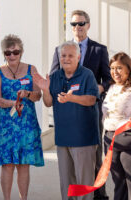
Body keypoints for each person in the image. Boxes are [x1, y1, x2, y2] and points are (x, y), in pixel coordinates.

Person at [50, 10, 111, 200]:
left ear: (88, 25)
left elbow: (108, 79)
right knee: (70, 168)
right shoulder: (60, 50)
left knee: (93, 158)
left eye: (81, 24)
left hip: (90, 112)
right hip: (67, 114)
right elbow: (53, 78)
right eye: (74, 24)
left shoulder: (99, 49)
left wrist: (96, 89)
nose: (77, 28)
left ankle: (99, 195)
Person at [33, 41, 99, 200]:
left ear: (78, 56)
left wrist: (72, 98)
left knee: (84, 183)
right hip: (62, 139)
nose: (66, 59)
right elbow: (48, 103)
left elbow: (91, 99)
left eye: (70, 55)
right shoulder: (55, 76)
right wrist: (45, 90)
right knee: (66, 183)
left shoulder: (87, 74)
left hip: (84, 139)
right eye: (63, 55)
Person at [0, 34, 44, 200]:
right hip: (5, 126)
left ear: (21, 52)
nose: (12, 55)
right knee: (7, 165)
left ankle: (23, 198)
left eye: (16, 52)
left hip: (26, 124)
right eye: (8, 52)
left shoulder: (31, 69)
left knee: (23, 164)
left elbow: (38, 95)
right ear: (3, 53)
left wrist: (27, 94)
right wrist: (12, 102)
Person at [102, 52, 131, 200]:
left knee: (130, 181)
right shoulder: (112, 88)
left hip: (127, 141)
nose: (115, 72)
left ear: (128, 69)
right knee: (118, 182)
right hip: (110, 139)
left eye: (119, 68)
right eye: (112, 68)